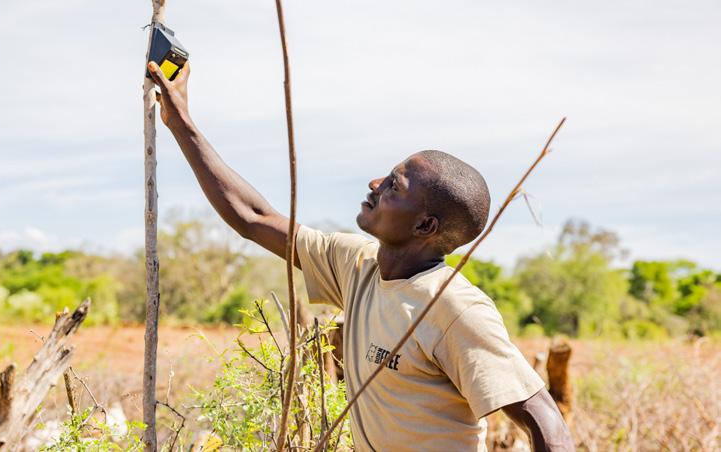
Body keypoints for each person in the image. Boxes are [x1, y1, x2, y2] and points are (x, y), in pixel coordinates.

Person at [147, 61, 574, 451]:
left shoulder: (453, 309)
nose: (374, 184)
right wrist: (180, 122)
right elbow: (252, 217)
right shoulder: (358, 265)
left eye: (393, 186)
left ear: (425, 226)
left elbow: (547, 425)